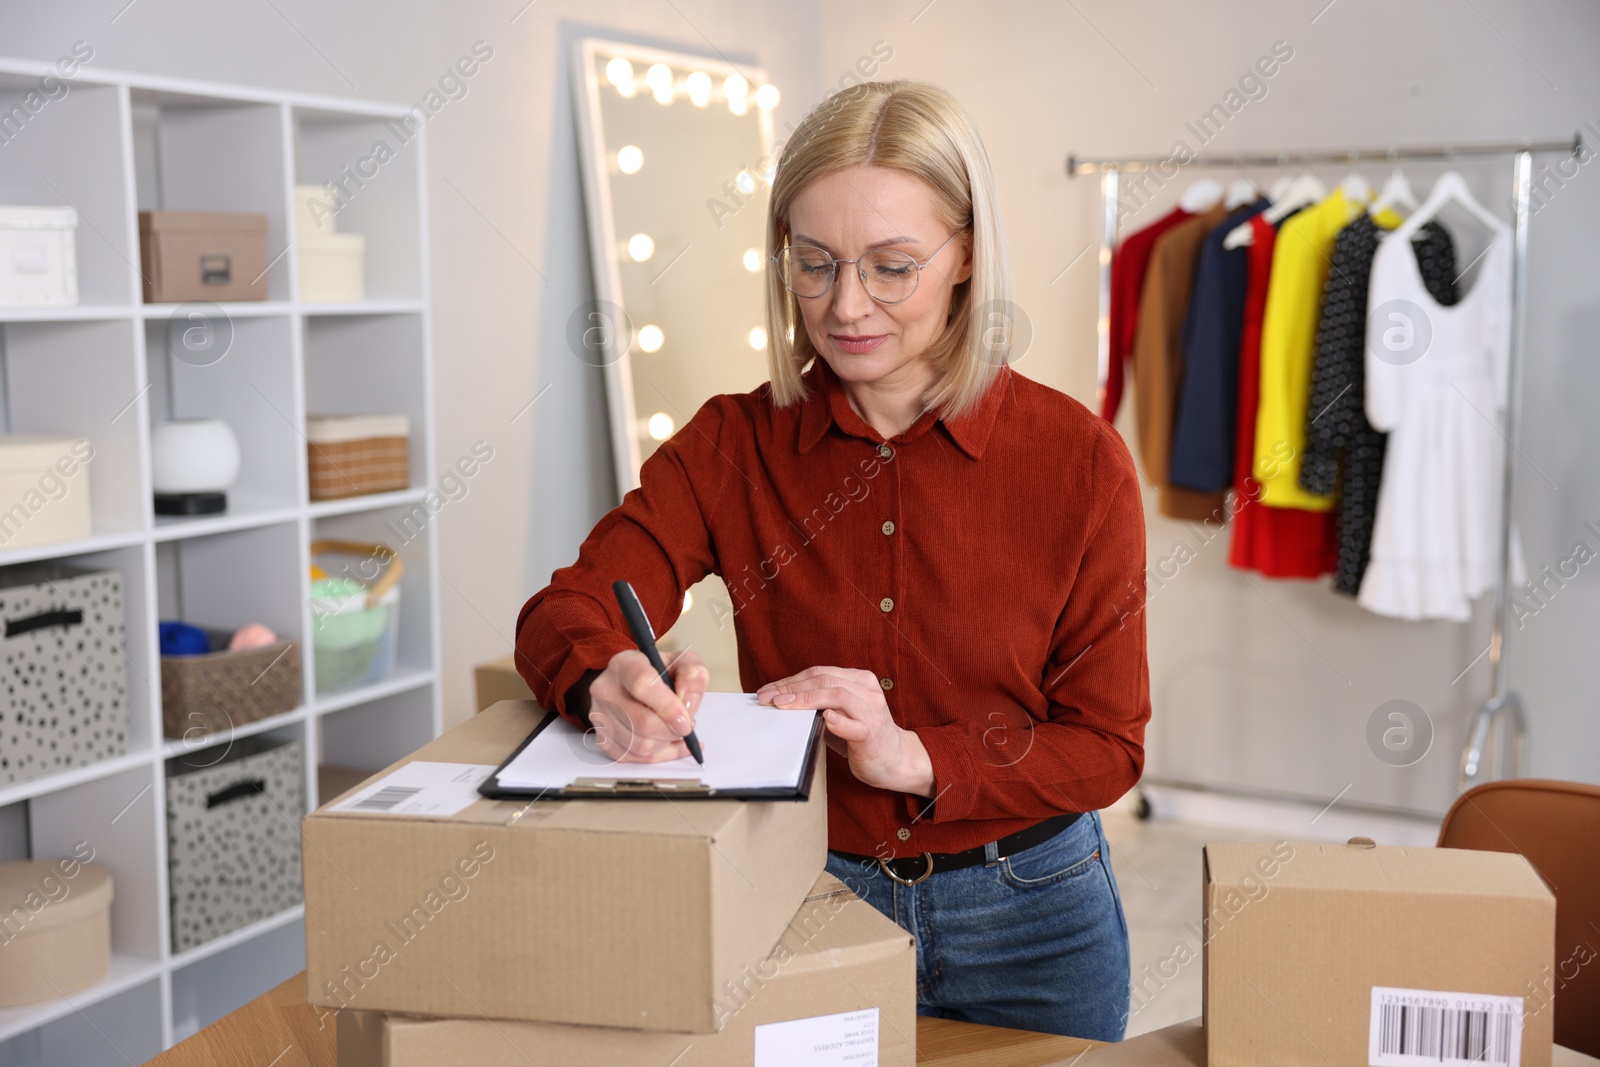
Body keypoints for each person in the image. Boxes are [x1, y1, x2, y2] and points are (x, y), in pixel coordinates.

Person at [515, 78, 1149, 1040]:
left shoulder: (1080, 463)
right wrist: (603, 676)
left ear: (967, 254)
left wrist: (916, 755)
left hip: (1034, 918)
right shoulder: (733, 446)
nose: (846, 304)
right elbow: (564, 609)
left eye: (893, 266)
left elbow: (1109, 744)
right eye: (814, 264)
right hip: (804, 889)